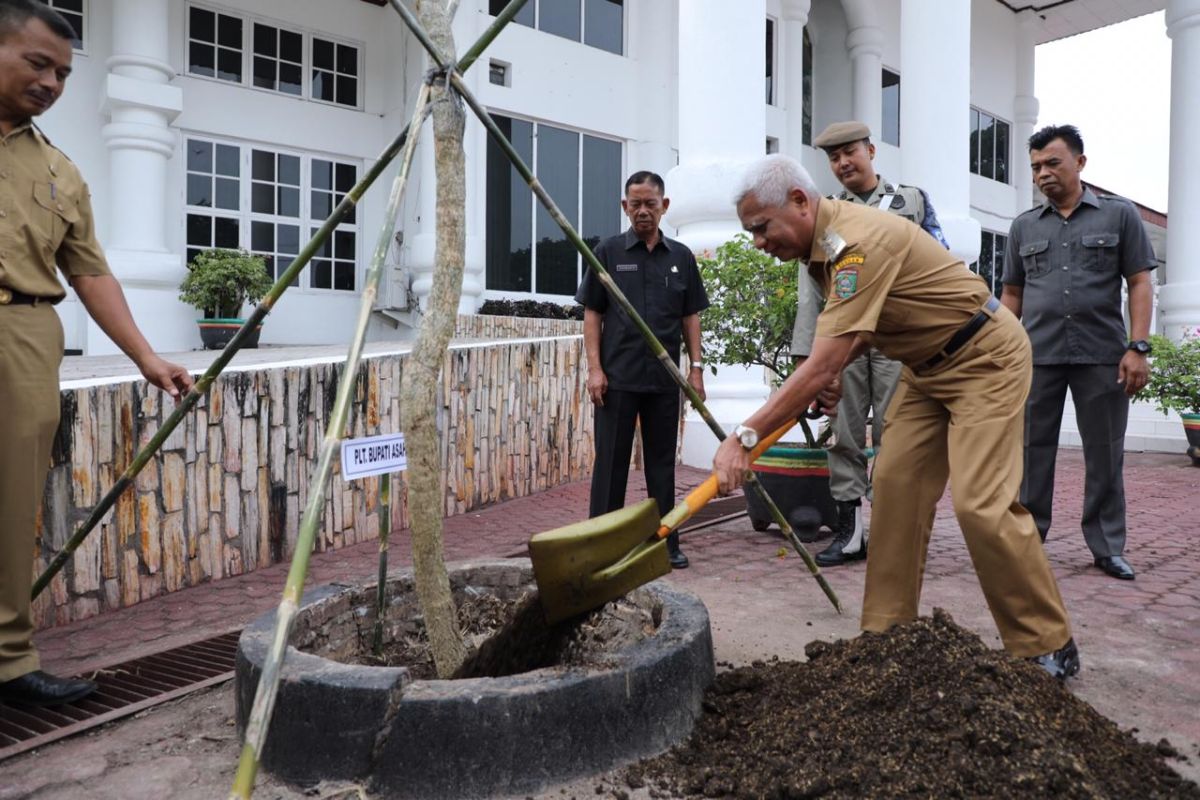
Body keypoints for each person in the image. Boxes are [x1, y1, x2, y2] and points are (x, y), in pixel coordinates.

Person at [715, 154, 1079, 679]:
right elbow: (856, 329)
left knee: (981, 505)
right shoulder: (819, 248)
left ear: (799, 201)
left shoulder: (858, 242)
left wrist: (746, 438)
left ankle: (1046, 641)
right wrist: (834, 374)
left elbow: (821, 362)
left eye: (760, 228)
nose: (757, 242)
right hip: (923, 367)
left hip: (985, 357)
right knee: (894, 486)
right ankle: (888, 635)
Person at [0, 0, 193, 707]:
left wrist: (148, 356)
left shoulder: (61, 170)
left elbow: (89, 272)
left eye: (62, 73)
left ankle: (9, 663)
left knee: (12, 504)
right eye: (36, 63)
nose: (51, 82)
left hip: (23, 337)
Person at [1001, 125, 1156, 582]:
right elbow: (1012, 295)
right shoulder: (1024, 226)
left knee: (1105, 453)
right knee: (1031, 453)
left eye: (1052, 163)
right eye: (1035, 168)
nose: (1043, 174)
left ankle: (1107, 547)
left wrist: (1138, 346)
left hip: (1102, 356)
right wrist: (1002, 352)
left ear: (1080, 163)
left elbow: (1140, 282)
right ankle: (1028, 541)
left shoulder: (1118, 215)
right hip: (1037, 356)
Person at [791, 121, 948, 567]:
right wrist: (806, 362)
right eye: (834, 158)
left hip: (899, 337)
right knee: (843, 431)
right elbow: (812, 292)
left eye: (850, 153)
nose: (843, 164)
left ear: (872, 151)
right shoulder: (825, 214)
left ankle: (894, 532)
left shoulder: (910, 202)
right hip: (844, 337)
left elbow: (938, 259)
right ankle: (850, 531)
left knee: (897, 433)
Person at [576, 171, 709, 569]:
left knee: (662, 465)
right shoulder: (609, 252)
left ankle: (664, 541)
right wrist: (595, 370)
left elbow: (690, 317)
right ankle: (602, 543)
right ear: (625, 207)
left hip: (664, 380)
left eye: (650, 203)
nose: (643, 211)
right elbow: (592, 314)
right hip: (617, 380)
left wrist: (696, 369)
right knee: (611, 466)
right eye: (635, 204)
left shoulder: (681, 257)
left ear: (664, 206)